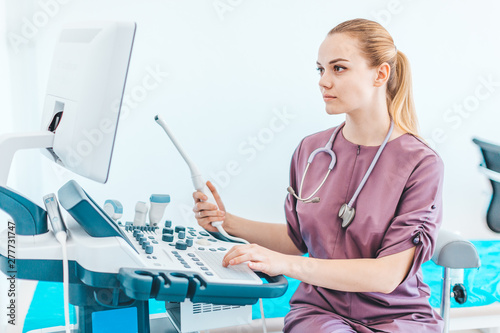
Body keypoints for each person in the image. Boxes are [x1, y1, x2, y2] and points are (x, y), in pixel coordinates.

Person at [192, 18, 444, 333]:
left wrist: (284, 265)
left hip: (400, 318)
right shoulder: (311, 152)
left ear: (381, 74)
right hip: (321, 314)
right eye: (320, 69)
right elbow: (297, 239)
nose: (323, 81)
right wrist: (225, 222)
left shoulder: (420, 163)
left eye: (338, 68)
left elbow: (387, 275)